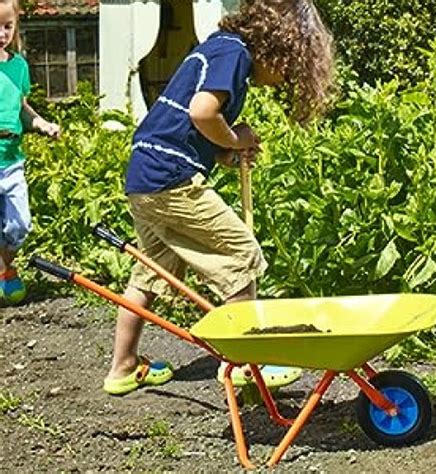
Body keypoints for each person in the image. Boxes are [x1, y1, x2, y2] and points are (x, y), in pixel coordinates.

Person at [103, 0, 334, 395]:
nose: (280, 82)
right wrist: (234, 136)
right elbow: (202, 112)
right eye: (287, 71)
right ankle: (245, 362)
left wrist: (225, 151)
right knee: (241, 254)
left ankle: (122, 366)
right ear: (276, 45)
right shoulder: (234, 53)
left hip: (146, 174)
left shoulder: (220, 49)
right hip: (171, 178)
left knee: (152, 272)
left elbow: (187, 127)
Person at [0, 0, 60, 304]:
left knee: (19, 224)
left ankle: (4, 266)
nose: (2, 33)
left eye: (7, 26)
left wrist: (40, 123)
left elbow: (21, 106)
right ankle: (7, 273)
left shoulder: (18, 66)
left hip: (11, 160)